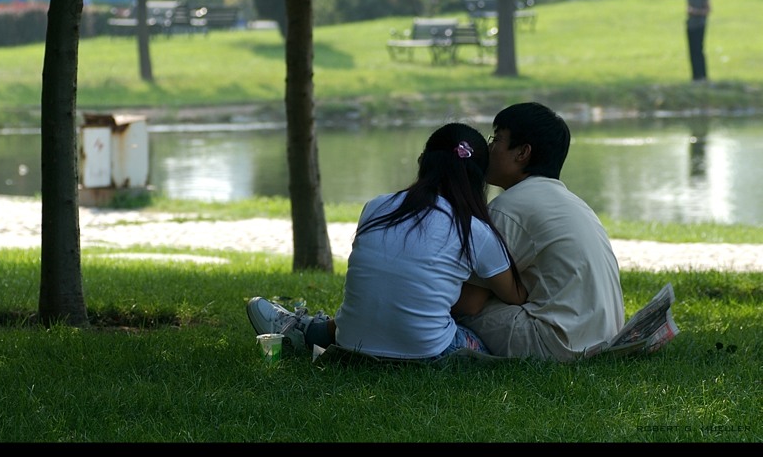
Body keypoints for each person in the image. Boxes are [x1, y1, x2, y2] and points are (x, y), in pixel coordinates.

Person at [246, 122, 527, 361]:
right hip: (430, 353)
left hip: (351, 341)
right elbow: (514, 296)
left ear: (422, 161)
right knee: (477, 332)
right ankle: (308, 330)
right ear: (479, 180)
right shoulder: (474, 230)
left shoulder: (377, 206)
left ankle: (303, 331)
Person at [454, 102, 625, 362]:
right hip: (602, 338)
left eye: (497, 139)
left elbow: (470, 303)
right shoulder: (572, 201)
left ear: (522, 152)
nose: (489, 148)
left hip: (558, 343)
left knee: (459, 307)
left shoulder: (508, 207)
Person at [685, 0, 710, 82]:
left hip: (700, 25)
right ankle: (695, 76)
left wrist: (696, 12)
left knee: (699, 50)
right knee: (692, 51)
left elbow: (707, 10)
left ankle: (703, 75)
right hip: (690, 25)